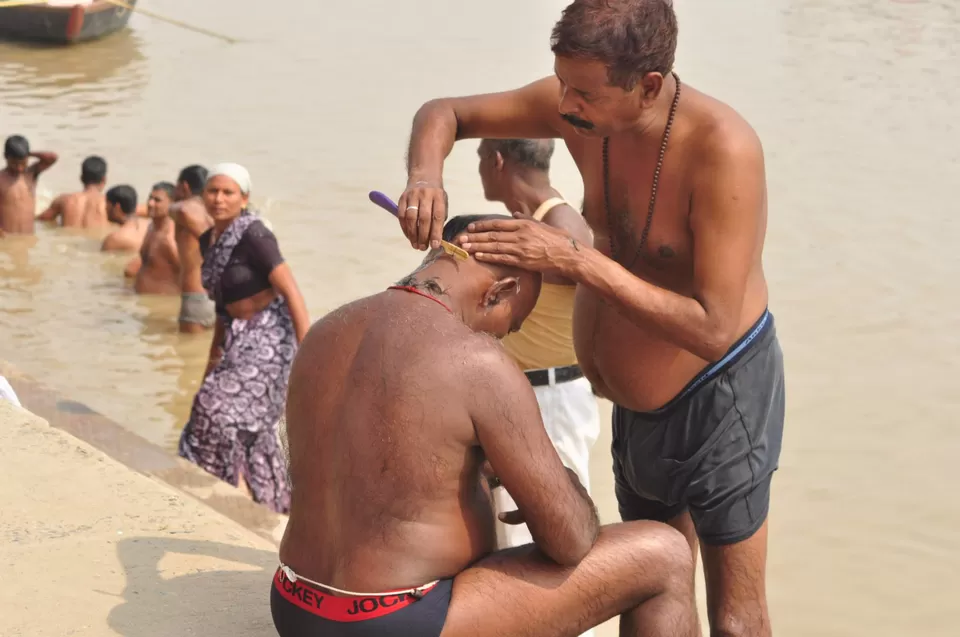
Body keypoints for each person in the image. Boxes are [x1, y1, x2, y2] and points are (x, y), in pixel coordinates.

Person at [397, 2, 785, 636]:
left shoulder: (723, 148)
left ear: (650, 85)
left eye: (584, 92)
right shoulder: (577, 105)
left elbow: (715, 329)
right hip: (636, 408)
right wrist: (424, 177)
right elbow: (446, 112)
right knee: (656, 585)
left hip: (719, 396)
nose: (565, 106)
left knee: (736, 620)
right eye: (562, 83)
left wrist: (574, 260)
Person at [273, 213, 699, 637]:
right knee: (667, 553)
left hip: (294, 605)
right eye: (510, 327)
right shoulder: (477, 361)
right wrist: (561, 485)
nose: (501, 339)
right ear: (500, 291)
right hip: (392, 621)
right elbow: (570, 540)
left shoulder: (326, 332)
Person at [476, 139, 601, 552]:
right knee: (510, 531)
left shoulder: (561, 224)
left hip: (553, 398)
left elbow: (593, 287)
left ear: (496, 161)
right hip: (523, 392)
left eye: (480, 159)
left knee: (549, 532)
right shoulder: (532, 221)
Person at [177, 163, 309, 514]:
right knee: (205, 408)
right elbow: (222, 312)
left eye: (228, 192)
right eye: (212, 191)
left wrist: (307, 354)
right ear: (203, 195)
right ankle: (243, 490)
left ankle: (241, 489)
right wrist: (210, 368)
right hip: (237, 338)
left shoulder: (254, 234)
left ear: (244, 198)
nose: (219, 199)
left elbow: (292, 293)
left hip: (270, 337)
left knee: (219, 410)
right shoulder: (208, 240)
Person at [169, 164, 216, 333]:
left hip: (195, 297)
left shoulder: (184, 210)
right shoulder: (216, 211)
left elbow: (181, 209)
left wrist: (169, 206)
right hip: (219, 299)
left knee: (186, 357)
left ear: (184, 186)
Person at [0, 135, 58, 235]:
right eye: (14, 163)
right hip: (7, 239)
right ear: (5, 156)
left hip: (29, 238)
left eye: (23, 163)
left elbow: (52, 157)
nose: (19, 168)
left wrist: (29, 153)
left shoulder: (31, 174)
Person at [129, 182, 180, 295]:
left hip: (163, 305)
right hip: (144, 302)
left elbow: (191, 275)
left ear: (172, 204)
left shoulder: (169, 239)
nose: (150, 203)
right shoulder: (152, 227)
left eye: (157, 200)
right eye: (150, 198)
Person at [37, 155, 110, 228]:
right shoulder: (109, 204)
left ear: (81, 178)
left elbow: (41, 220)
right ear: (104, 179)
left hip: (66, 238)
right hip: (96, 239)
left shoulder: (64, 200)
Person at [101, 184, 151, 253]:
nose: (105, 209)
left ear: (117, 207)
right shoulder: (150, 225)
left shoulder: (114, 239)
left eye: (107, 205)